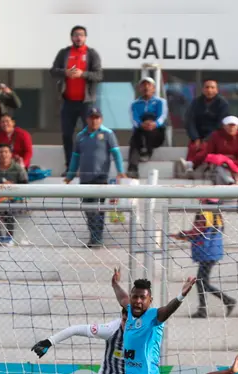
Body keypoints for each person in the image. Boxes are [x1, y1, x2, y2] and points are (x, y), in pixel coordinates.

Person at [63, 107, 125, 249]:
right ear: (87, 119)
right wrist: (70, 175)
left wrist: (120, 171)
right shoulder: (81, 136)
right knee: (88, 209)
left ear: (101, 119)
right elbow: (75, 157)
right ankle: (94, 236)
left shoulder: (108, 134)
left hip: (100, 178)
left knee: (98, 209)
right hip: (85, 179)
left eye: (97, 118)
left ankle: (97, 238)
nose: (94, 121)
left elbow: (116, 154)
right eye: (92, 118)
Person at [51, 25, 103, 167]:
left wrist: (82, 74)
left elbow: (99, 75)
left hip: (86, 102)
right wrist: (65, 72)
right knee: (67, 134)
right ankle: (70, 166)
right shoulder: (64, 53)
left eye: (81, 35)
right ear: (71, 37)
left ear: (85, 37)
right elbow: (53, 71)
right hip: (68, 101)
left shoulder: (92, 54)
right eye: (75, 35)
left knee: (90, 134)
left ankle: (89, 165)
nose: (78, 37)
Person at [173, 205, 236, 318]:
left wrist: (182, 234)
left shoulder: (204, 214)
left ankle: (226, 301)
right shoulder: (216, 213)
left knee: (201, 282)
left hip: (206, 252)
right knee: (202, 282)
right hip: (213, 251)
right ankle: (217, 304)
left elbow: (196, 232)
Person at [176, 79, 229, 178]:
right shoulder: (196, 102)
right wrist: (195, 137)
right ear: (203, 89)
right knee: (193, 146)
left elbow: (220, 124)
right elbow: (189, 120)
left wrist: (207, 139)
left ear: (216, 90)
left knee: (204, 147)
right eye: (207, 87)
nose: (209, 90)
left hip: (214, 136)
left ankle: (191, 165)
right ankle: (189, 170)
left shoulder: (222, 104)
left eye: (212, 87)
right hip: (198, 134)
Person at [127, 76, 168, 178]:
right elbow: (134, 119)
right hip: (140, 132)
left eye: (149, 85)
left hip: (156, 133)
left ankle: (147, 151)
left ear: (154, 88)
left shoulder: (160, 102)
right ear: (140, 89)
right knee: (135, 138)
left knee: (149, 117)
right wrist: (141, 124)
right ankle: (133, 168)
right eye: (143, 85)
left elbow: (162, 116)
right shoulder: (134, 104)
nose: (146, 87)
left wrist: (154, 124)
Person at [191, 115, 238, 185]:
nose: (231, 128)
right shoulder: (216, 135)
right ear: (224, 126)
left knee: (231, 169)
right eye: (229, 126)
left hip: (235, 166)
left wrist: (225, 159)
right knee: (220, 168)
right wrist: (225, 159)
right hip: (218, 165)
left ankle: (233, 182)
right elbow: (210, 154)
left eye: (234, 126)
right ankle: (230, 182)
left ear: (237, 127)